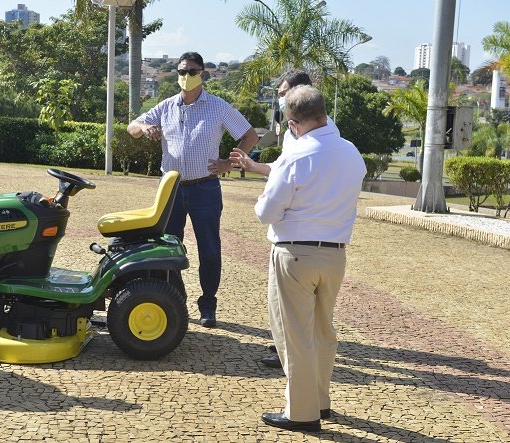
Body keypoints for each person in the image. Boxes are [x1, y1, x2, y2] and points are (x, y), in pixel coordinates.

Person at [251, 85, 365, 432]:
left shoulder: (296, 156)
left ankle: (302, 412)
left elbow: (266, 212)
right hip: (335, 253)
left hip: (295, 253)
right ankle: (320, 399)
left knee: (294, 333)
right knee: (322, 330)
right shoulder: (351, 152)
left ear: (294, 122)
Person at [127, 51, 258, 328]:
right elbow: (132, 127)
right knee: (169, 248)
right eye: (182, 71)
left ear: (203, 74)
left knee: (209, 249)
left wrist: (229, 163)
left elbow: (250, 135)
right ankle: (176, 298)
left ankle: (208, 304)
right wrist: (145, 126)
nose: (186, 77)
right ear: (177, 74)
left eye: (192, 71)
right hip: (171, 189)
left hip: (205, 188)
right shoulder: (166, 107)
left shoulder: (218, 107)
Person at [231, 69, 340, 369]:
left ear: (299, 95)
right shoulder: (323, 138)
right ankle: (292, 361)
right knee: (309, 319)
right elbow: (285, 170)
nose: (278, 99)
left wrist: (269, 203)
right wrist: (255, 166)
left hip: (297, 240)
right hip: (328, 243)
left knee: (294, 313)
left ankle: (295, 374)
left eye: (282, 94)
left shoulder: (304, 137)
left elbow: (273, 201)